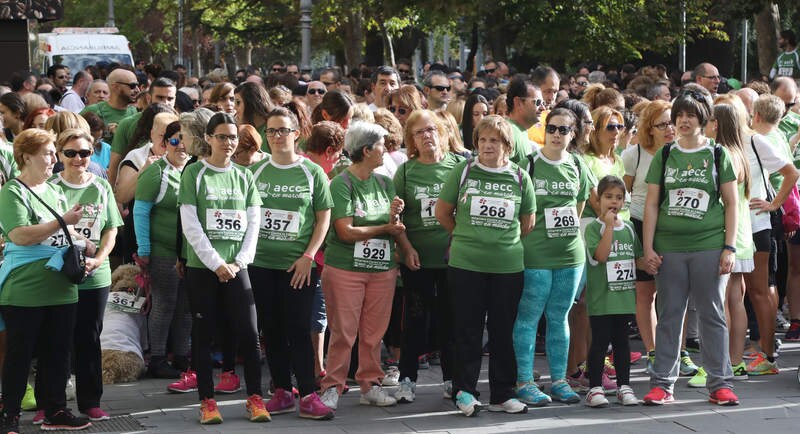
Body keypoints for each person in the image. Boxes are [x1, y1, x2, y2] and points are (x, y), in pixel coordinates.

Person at [642, 86, 740, 406]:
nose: (683, 121)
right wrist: (648, 248)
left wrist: (729, 247)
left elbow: (731, 203)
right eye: (679, 115)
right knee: (669, 314)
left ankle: (720, 384)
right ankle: (662, 384)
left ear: (704, 120)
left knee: (712, 315)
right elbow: (652, 204)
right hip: (669, 247)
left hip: (709, 245)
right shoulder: (665, 154)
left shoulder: (717, 154)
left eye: (690, 116)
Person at [435, 115, 536, 416]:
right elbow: (443, 213)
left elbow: (527, 223)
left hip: (507, 267)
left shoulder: (520, 177)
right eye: (482, 140)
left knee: (503, 332)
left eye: (494, 140)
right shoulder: (463, 171)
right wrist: (466, 236)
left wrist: (498, 240)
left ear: (507, 145)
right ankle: (464, 391)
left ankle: (503, 393)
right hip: (466, 265)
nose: (487, 145)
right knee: (467, 330)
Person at [0, 129, 95, 432]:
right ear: (26, 155)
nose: (55, 158)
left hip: (61, 288)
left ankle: (55, 410)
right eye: (48, 153)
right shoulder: (13, 191)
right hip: (26, 288)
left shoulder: (53, 190)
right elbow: (19, 235)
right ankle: (10, 414)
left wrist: (85, 244)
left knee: (58, 352)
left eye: (55, 152)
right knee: (20, 353)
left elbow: (62, 232)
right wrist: (63, 222)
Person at [178, 112, 268, 424]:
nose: (228, 143)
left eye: (232, 137)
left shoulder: (244, 176)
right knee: (204, 335)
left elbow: (253, 223)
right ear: (209, 138)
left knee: (249, 332)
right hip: (203, 268)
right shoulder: (194, 173)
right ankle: (207, 402)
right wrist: (217, 264)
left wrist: (238, 262)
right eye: (222, 137)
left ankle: (255, 398)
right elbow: (190, 224)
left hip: (236, 266)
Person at [247, 107, 335, 420]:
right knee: (270, 329)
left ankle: (309, 394)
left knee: (299, 329)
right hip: (261, 264)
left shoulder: (312, 172)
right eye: (271, 131)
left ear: (296, 133)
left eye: (283, 130)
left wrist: (309, 256)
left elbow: (323, 218)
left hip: (298, 266)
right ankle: (282, 390)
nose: (277, 136)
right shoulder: (255, 171)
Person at [318, 121, 405, 411]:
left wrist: (394, 217)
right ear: (366, 150)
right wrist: (386, 228)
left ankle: (371, 384)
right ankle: (333, 386)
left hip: (381, 270)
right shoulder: (340, 183)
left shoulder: (384, 181)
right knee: (343, 332)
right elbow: (345, 231)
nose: (386, 148)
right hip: (345, 269)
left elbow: (390, 226)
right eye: (381, 144)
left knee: (374, 333)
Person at [513, 108, 593, 406]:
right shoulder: (528, 164)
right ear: (544, 130)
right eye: (553, 128)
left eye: (564, 130)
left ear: (573, 134)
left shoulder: (576, 164)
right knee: (529, 317)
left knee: (559, 316)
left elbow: (580, 204)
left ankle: (559, 380)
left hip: (570, 255)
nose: (557, 134)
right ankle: (525, 381)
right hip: (534, 253)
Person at [49, 128, 123, 421]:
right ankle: (53, 403)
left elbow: (111, 229)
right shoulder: (51, 187)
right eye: (71, 153)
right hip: (60, 273)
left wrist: (99, 258)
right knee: (57, 339)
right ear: (59, 155)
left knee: (90, 338)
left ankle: (90, 400)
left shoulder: (101, 187)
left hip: (96, 274)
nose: (79, 159)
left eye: (85, 153)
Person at [392, 110, 464, 404]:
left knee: (451, 320)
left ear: (444, 132)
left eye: (432, 129)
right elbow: (395, 219)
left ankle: (452, 379)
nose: (427, 136)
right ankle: (407, 378)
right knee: (415, 320)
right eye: (419, 132)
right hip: (417, 260)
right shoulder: (406, 171)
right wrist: (406, 248)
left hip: (454, 259)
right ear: (411, 139)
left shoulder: (459, 166)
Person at [132, 120, 192, 380]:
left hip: (188, 253)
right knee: (164, 304)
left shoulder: (192, 170)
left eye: (184, 140)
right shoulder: (156, 172)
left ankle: (182, 355)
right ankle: (157, 358)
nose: (180, 146)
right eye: (175, 140)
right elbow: (140, 211)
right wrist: (144, 249)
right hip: (162, 251)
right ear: (164, 143)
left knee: (186, 306)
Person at [745, 94, 799, 371]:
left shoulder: (760, 139)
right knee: (766, 285)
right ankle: (765, 348)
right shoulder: (774, 136)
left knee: (762, 286)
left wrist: (775, 204)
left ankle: (766, 350)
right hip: (770, 217)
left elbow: (790, 174)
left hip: (766, 218)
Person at [621, 100, 672, 372]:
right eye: (662, 124)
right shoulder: (634, 154)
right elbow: (623, 195)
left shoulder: (679, 152)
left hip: (673, 227)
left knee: (675, 292)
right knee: (645, 292)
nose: (669, 129)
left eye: (672, 122)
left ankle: (676, 350)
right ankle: (652, 351)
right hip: (640, 224)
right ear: (649, 128)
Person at [583, 175, 641, 407]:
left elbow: (636, 258)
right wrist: (608, 226)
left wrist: (652, 261)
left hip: (624, 298)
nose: (613, 202)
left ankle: (624, 386)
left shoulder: (628, 227)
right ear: (599, 199)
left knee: (622, 343)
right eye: (608, 196)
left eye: (618, 197)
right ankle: (595, 387)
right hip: (601, 300)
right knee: (599, 342)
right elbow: (601, 256)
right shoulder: (593, 228)